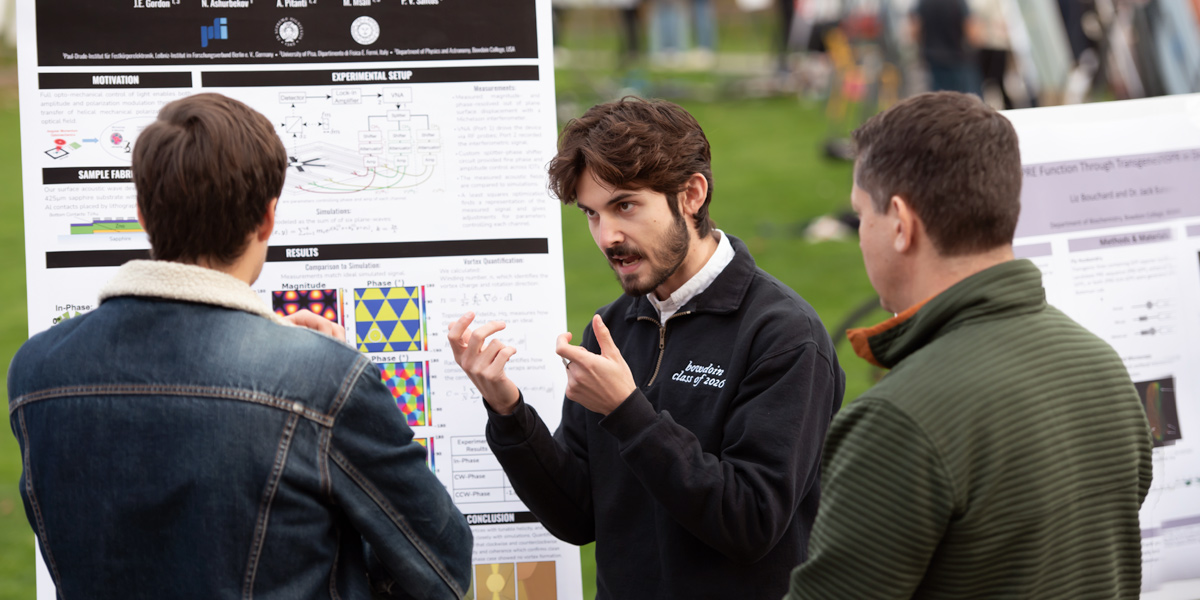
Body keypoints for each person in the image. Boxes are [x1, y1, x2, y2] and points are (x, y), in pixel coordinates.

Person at [7, 93, 472, 599]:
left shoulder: (36, 369)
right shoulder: (324, 381)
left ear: (142, 213)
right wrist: (328, 380)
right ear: (268, 218)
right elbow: (441, 568)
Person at [450, 97, 845, 599]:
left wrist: (628, 413)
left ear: (691, 195)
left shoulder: (783, 335)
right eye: (592, 214)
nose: (607, 236)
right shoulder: (611, 328)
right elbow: (577, 516)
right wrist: (508, 412)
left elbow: (750, 523)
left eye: (625, 206)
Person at [786, 92, 1152, 598]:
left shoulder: (899, 418)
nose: (862, 234)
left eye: (861, 215)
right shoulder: (1100, 365)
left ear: (900, 224)